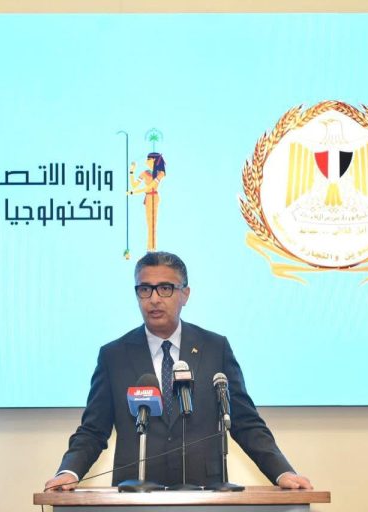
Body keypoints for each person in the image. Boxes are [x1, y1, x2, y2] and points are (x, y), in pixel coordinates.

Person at [44, 251, 312, 491]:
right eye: (145, 289)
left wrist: (282, 472)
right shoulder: (113, 355)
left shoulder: (215, 348)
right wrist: (69, 471)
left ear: (185, 294)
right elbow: (93, 430)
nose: (154, 299)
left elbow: (245, 421)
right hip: (134, 494)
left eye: (165, 288)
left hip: (204, 491)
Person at [128, 153, 166, 251]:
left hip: (154, 198)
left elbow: (149, 187)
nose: (146, 161)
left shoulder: (160, 173)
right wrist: (132, 171)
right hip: (148, 198)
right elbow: (134, 184)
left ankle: (152, 247)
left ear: (153, 160)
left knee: (153, 223)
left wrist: (132, 193)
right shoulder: (145, 172)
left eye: (148, 159)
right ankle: (150, 247)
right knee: (149, 223)